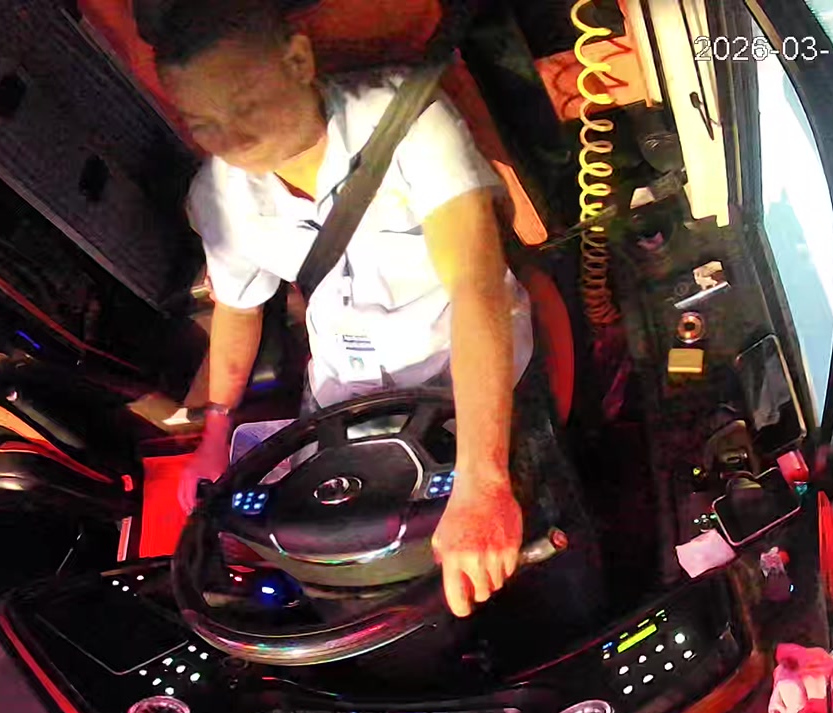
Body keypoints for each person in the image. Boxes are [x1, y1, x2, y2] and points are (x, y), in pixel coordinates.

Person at [136, 0, 537, 618]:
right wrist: (215, 433)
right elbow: (239, 308)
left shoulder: (405, 121)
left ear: (298, 60)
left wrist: (483, 483)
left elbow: (475, 288)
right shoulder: (218, 193)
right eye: (202, 124)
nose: (232, 139)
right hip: (338, 402)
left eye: (245, 105)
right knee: (325, 578)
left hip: (460, 378)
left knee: (478, 573)